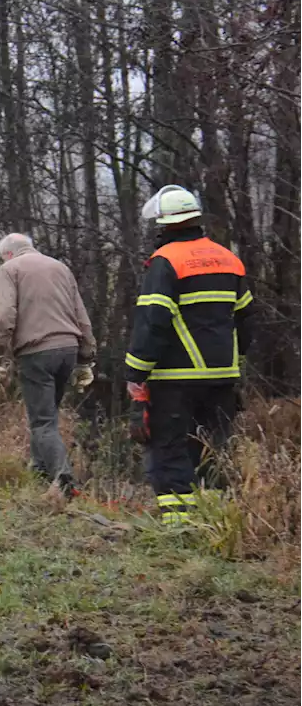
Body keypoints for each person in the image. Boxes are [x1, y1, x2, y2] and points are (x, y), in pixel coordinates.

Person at [124, 185, 254, 527]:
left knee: (171, 448)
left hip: (175, 377)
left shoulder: (166, 262)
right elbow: (246, 319)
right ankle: (215, 522)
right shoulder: (230, 259)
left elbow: (153, 322)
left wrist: (135, 371)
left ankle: (180, 527)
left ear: (164, 226)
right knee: (213, 449)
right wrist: (233, 362)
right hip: (223, 377)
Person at [0, 233, 96, 497]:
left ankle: (64, 478)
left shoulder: (9, 269)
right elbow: (81, 315)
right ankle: (38, 473)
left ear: (8, 254)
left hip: (37, 352)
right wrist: (86, 357)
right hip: (68, 350)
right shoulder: (60, 267)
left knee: (42, 422)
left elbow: (2, 315)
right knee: (47, 415)